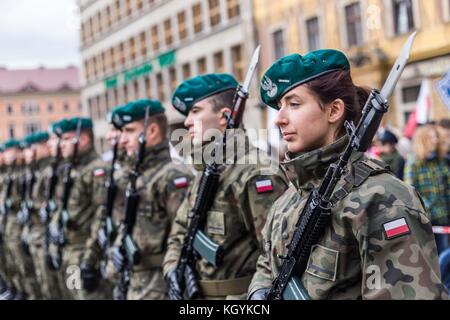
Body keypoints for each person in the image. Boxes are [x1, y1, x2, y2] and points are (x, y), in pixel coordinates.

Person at [248, 50, 448, 299]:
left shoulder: (383, 199)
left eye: (294, 104)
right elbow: (267, 266)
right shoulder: (287, 199)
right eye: (280, 107)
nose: (279, 119)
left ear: (334, 111)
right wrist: (258, 292)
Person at [163, 73, 289, 300]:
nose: (187, 122)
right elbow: (181, 229)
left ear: (225, 116)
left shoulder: (256, 172)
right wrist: (173, 267)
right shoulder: (206, 171)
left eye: (196, 111)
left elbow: (277, 258)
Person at [105, 99, 193, 300]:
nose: (123, 139)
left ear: (152, 131)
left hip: (161, 286)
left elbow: (184, 239)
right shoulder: (137, 175)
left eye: (129, 131)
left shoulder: (173, 176)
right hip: (137, 282)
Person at [48, 117, 109, 300]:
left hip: (86, 253)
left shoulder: (97, 170)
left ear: (83, 139)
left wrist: (90, 259)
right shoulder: (72, 169)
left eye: (66, 139)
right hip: (70, 251)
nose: (61, 145)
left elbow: (101, 216)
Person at [405, 124, 450, 255]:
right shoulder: (414, 162)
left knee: (445, 254)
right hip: (425, 219)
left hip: (443, 216)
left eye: (436, 136)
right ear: (422, 139)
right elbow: (410, 191)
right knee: (430, 255)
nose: (435, 140)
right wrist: (428, 207)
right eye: (431, 137)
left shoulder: (440, 161)